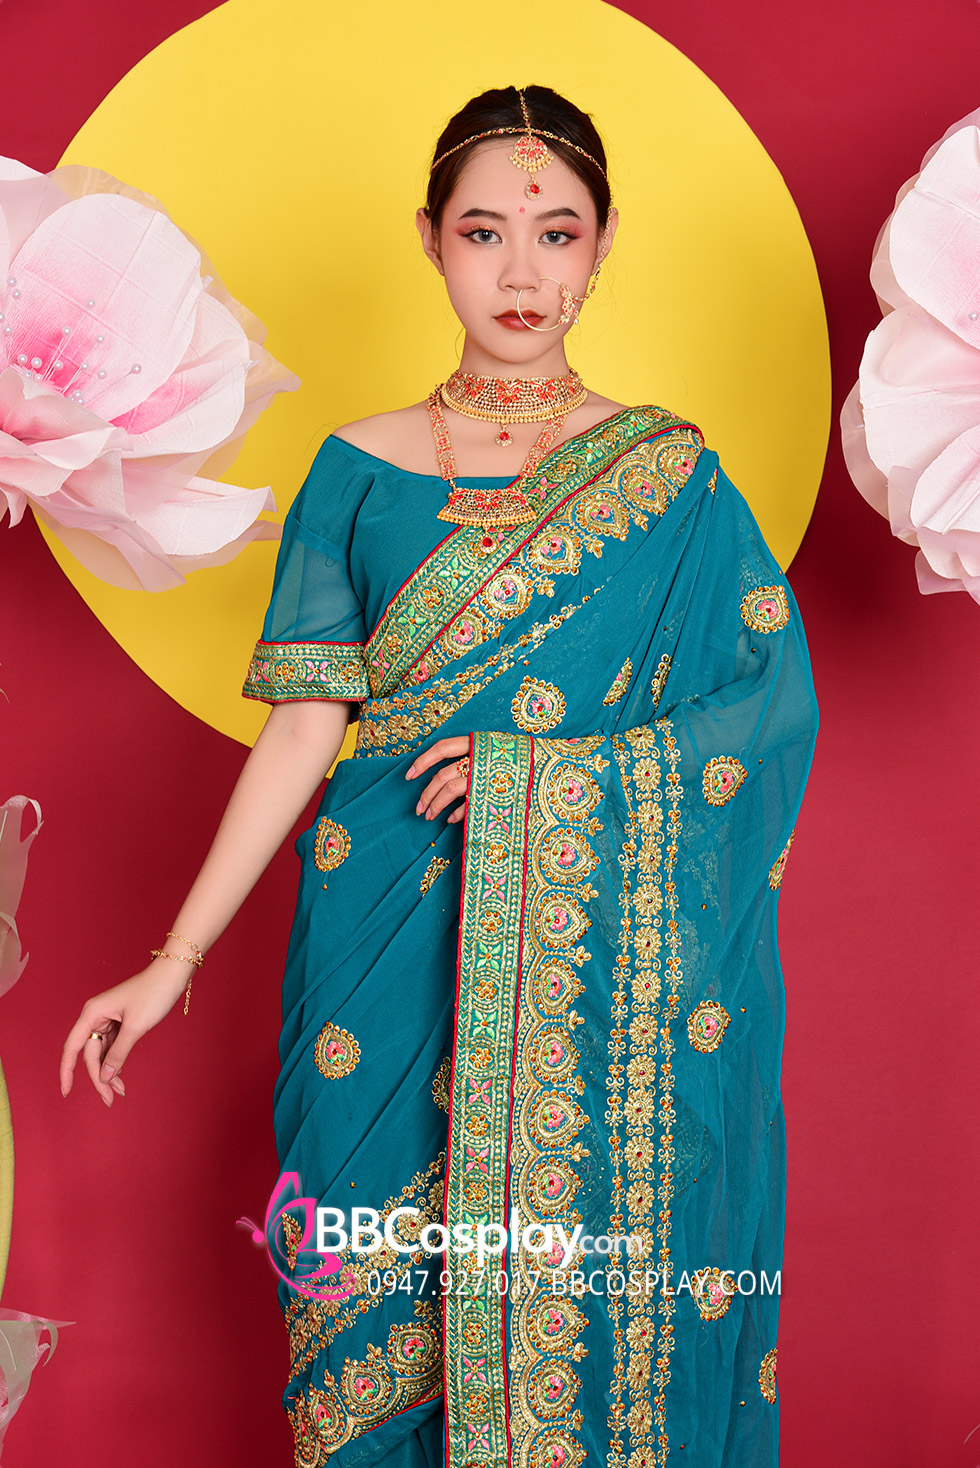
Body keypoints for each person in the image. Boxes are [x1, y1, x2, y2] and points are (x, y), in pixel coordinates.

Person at [60, 84, 819, 1468]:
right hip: (378, 939)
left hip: (588, 976)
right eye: (484, 232)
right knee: (359, 1323)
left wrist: (548, 783)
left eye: (557, 232)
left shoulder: (672, 480)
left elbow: (765, 714)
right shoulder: (354, 470)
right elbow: (306, 728)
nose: (522, 271)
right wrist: (174, 960)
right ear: (429, 239)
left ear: (603, 246)